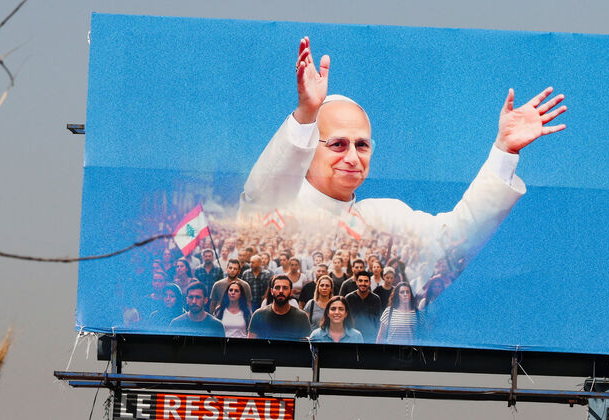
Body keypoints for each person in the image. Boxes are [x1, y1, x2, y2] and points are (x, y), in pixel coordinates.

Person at [239, 37, 566, 306]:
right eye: (338, 144)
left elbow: (453, 240)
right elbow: (260, 196)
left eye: (362, 145)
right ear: (310, 150)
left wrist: (504, 152)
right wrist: (307, 113)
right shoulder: (280, 211)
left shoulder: (383, 217)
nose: (353, 157)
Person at [247, 275, 312, 340]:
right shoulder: (259, 315)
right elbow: (250, 345)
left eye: (285, 288)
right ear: (272, 291)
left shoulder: (302, 317)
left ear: (291, 292)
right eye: (277, 287)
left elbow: (307, 346)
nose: (281, 291)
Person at [343, 270, 383, 340]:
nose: (363, 283)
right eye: (360, 281)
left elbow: (377, 321)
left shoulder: (376, 299)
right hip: (352, 336)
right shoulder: (349, 298)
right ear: (356, 282)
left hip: (370, 337)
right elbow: (345, 320)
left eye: (366, 281)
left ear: (370, 283)